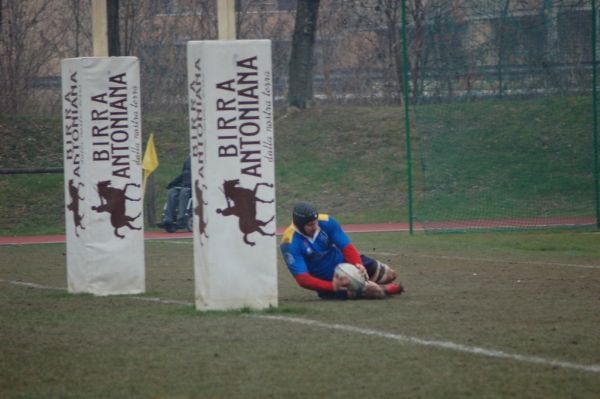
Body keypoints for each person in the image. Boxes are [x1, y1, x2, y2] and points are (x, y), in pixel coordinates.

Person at [280, 202, 404, 299]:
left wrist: (359, 266)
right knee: (374, 292)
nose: (315, 226)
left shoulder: (327, 221)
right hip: (329, 279)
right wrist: (332, 286)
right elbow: (303, 279)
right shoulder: (289, 243)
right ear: (300, 225)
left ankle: (368, 283)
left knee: (390, 274)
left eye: (316, 222)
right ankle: (380, 289)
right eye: (310, 225)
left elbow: (347, 247)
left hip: (346, 264)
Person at [157, 156, 191, 230]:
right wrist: (172, 184)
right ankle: (168, 219)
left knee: (184, 192)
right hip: (184, 186)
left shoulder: (201, 160)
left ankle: (181, 219)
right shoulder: (187, 160)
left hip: (194, 187)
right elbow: (183, 175)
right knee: (171, 192)